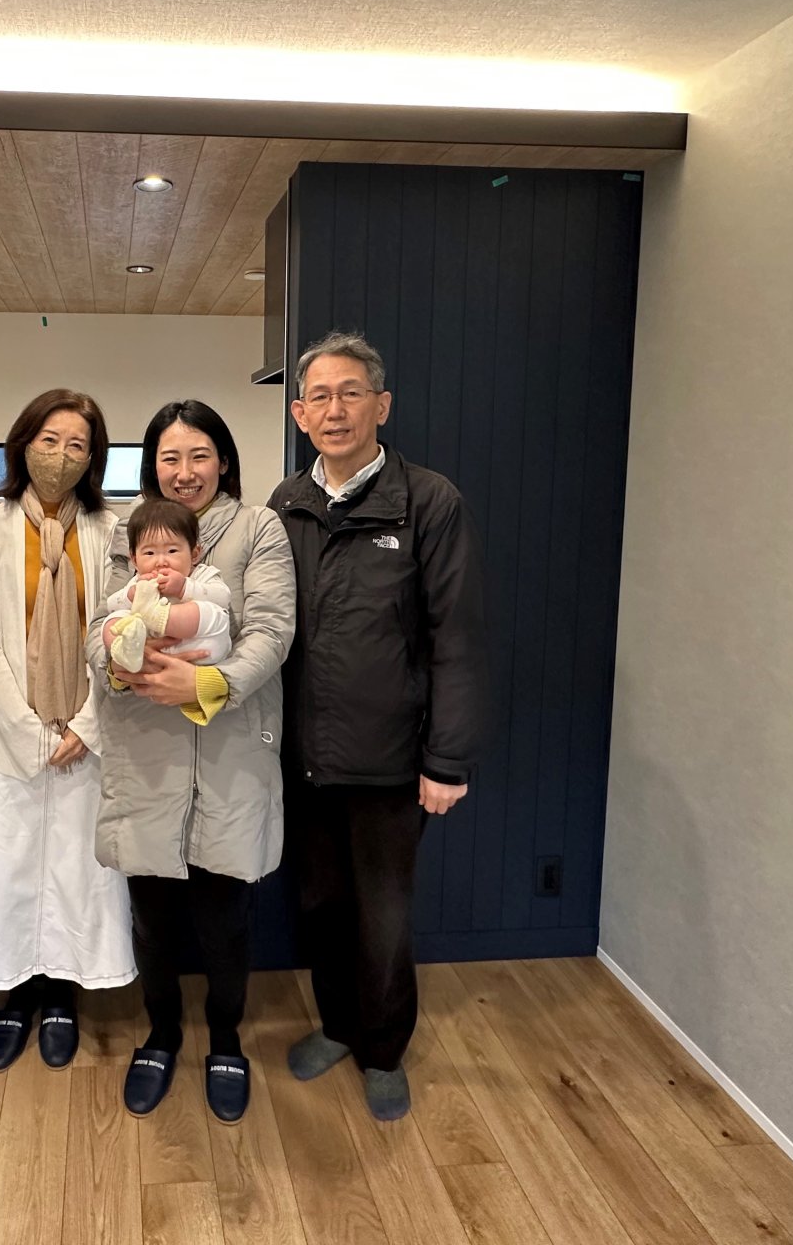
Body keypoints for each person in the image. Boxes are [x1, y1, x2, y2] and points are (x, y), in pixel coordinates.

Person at [269, 330, 486, 1123]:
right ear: (300, 413)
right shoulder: (284, 505)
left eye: (350, 393)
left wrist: (447, 759)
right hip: (303, 757)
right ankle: (338, 1026)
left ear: (381, 405)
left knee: (384, 919)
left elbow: (456, 638)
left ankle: (384, 1049)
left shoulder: (429, 501)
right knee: (321, 906)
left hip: (392, 762)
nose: (335, 410)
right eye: (320, 396)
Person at [90, 400, 294, 1125]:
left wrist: (211, 682)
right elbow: (100, 624)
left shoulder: (258, 527)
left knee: (223, 915)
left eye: (199, 455)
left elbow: (272, 630)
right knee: (151, 913)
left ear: (224, 461)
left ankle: (227, 1040)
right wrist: (121, 667)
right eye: (170, 458)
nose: (184, 471)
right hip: (146, 752)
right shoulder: (132, 531)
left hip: (230, 749)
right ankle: (162, 1034)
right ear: (153, 466)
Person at [0, 388, 136, 1069]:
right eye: (49, 440)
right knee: (7, 872)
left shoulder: (110, 531)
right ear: (23, 444)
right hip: (8, 731)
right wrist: (28, 731)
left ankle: (62, 998)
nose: (61, 456)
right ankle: (14, 996)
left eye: (77, 445)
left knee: (76, 875)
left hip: (86, 731)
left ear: (93, 458)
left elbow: (119, 632)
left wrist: (87, 725)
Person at [102, 497, 233, 673]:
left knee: (208, 611)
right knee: (112, 622)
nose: (161, 561)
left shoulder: (202, 574)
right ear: (134, 559)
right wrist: (132, 594)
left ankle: (154, 615)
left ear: (194, 553)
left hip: (197, 650)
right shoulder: (139, 581)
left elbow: (223, 598)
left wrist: (184, 588)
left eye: (172, 551)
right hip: (147, 652)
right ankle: (125, 651)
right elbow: (111, 604)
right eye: (149, 553)